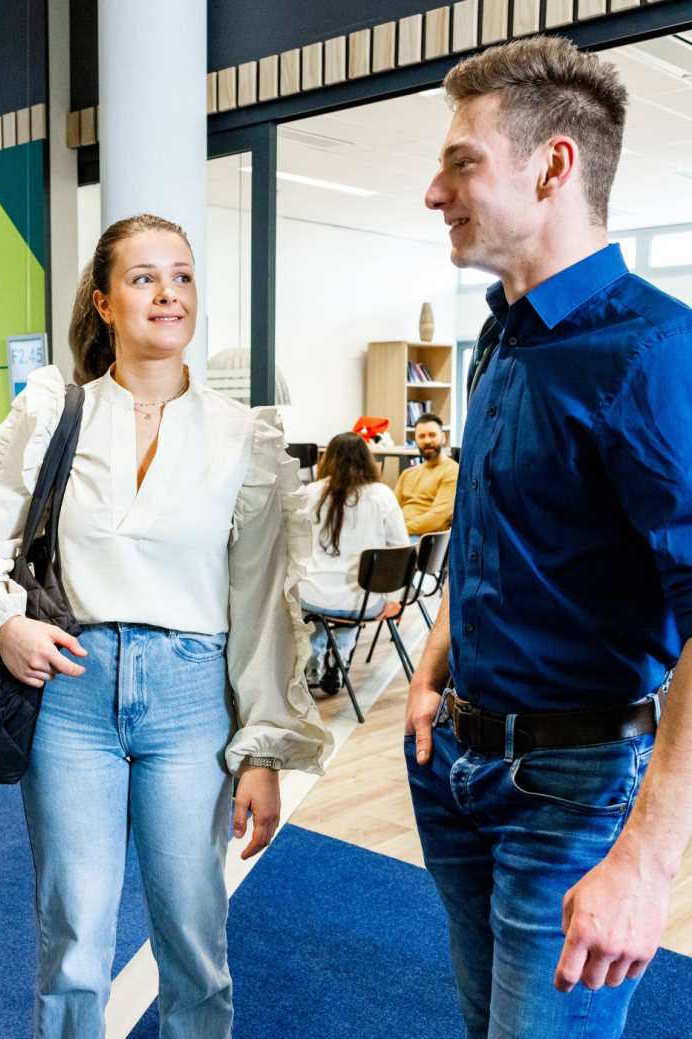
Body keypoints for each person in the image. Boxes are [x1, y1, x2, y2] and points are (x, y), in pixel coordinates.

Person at [0, 213, 331, 1037]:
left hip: (192, 695)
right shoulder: (54, 412)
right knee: (73, 937)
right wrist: (4, 624)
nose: (167, 293)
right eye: (144, 278)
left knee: (193, 935)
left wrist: (263, 751)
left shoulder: (242, 435)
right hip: (71, 689)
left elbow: (258, 607)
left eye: (180, 276)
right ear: (104, 302)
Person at [407, 35, 692, 1039]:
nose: (433, 192)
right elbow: (494, 528)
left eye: (460, 162)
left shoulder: (653, 353)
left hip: (571, 791)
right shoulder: (501, 333)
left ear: (551, 164)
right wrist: (431, 665)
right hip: (457, 762)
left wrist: (647, 861)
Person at [299, 432, 409, 690]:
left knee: (309, 607)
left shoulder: (309, 493)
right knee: (357, 593)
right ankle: (340, 658)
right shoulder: (382, 495)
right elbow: (401, 550)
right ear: (366, 460)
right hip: (363, 604)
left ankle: (313, 662)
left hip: (312, 595)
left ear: (328, 460)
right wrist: (395, 598)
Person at [393, 412, 458, 535]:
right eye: (421, 436)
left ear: (443, 437)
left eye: (432, 435)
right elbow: (391, 510)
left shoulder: (452, 471)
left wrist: (398, 531)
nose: (427, 441)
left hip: (424, 539)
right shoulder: (407, 474)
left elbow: (437, 518)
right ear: (415, 440)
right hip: (400, 535)